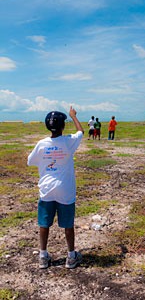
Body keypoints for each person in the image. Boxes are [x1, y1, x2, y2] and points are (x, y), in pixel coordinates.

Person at [27, 107, 84, 269]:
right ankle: (71, 257)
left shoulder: (42, 144)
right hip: (65, 190)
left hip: (46, 190)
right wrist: (73, 116)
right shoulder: (68, 142)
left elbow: (30, 161)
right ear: (63, 127)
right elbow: (81, 132)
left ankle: (43, 256)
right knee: (68, 224)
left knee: (44, 224)